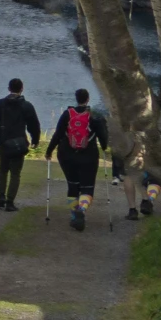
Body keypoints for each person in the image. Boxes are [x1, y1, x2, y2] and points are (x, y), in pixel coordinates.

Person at [45, 87, 110, 232]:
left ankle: (75, 215)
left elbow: (58, 134)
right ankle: (82, 209)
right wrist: (105, 147)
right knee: (87, 188)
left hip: (67, 156)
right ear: (87, 99)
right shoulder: (95, 116)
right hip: (89, 157)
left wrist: (49, 151)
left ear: (76, 99)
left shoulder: (67, 114)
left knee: (73, 186)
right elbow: (103, 138)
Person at [0, 78, 42, 211]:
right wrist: (35, 140)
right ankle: (10, 202)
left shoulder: (0, 104)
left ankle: (1, 197)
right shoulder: (27, 106)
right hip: (19, 143)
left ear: (9, 89)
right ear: (21, 89)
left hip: (4, 142)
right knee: (16, 173)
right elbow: (34, 125)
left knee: (3, 169)